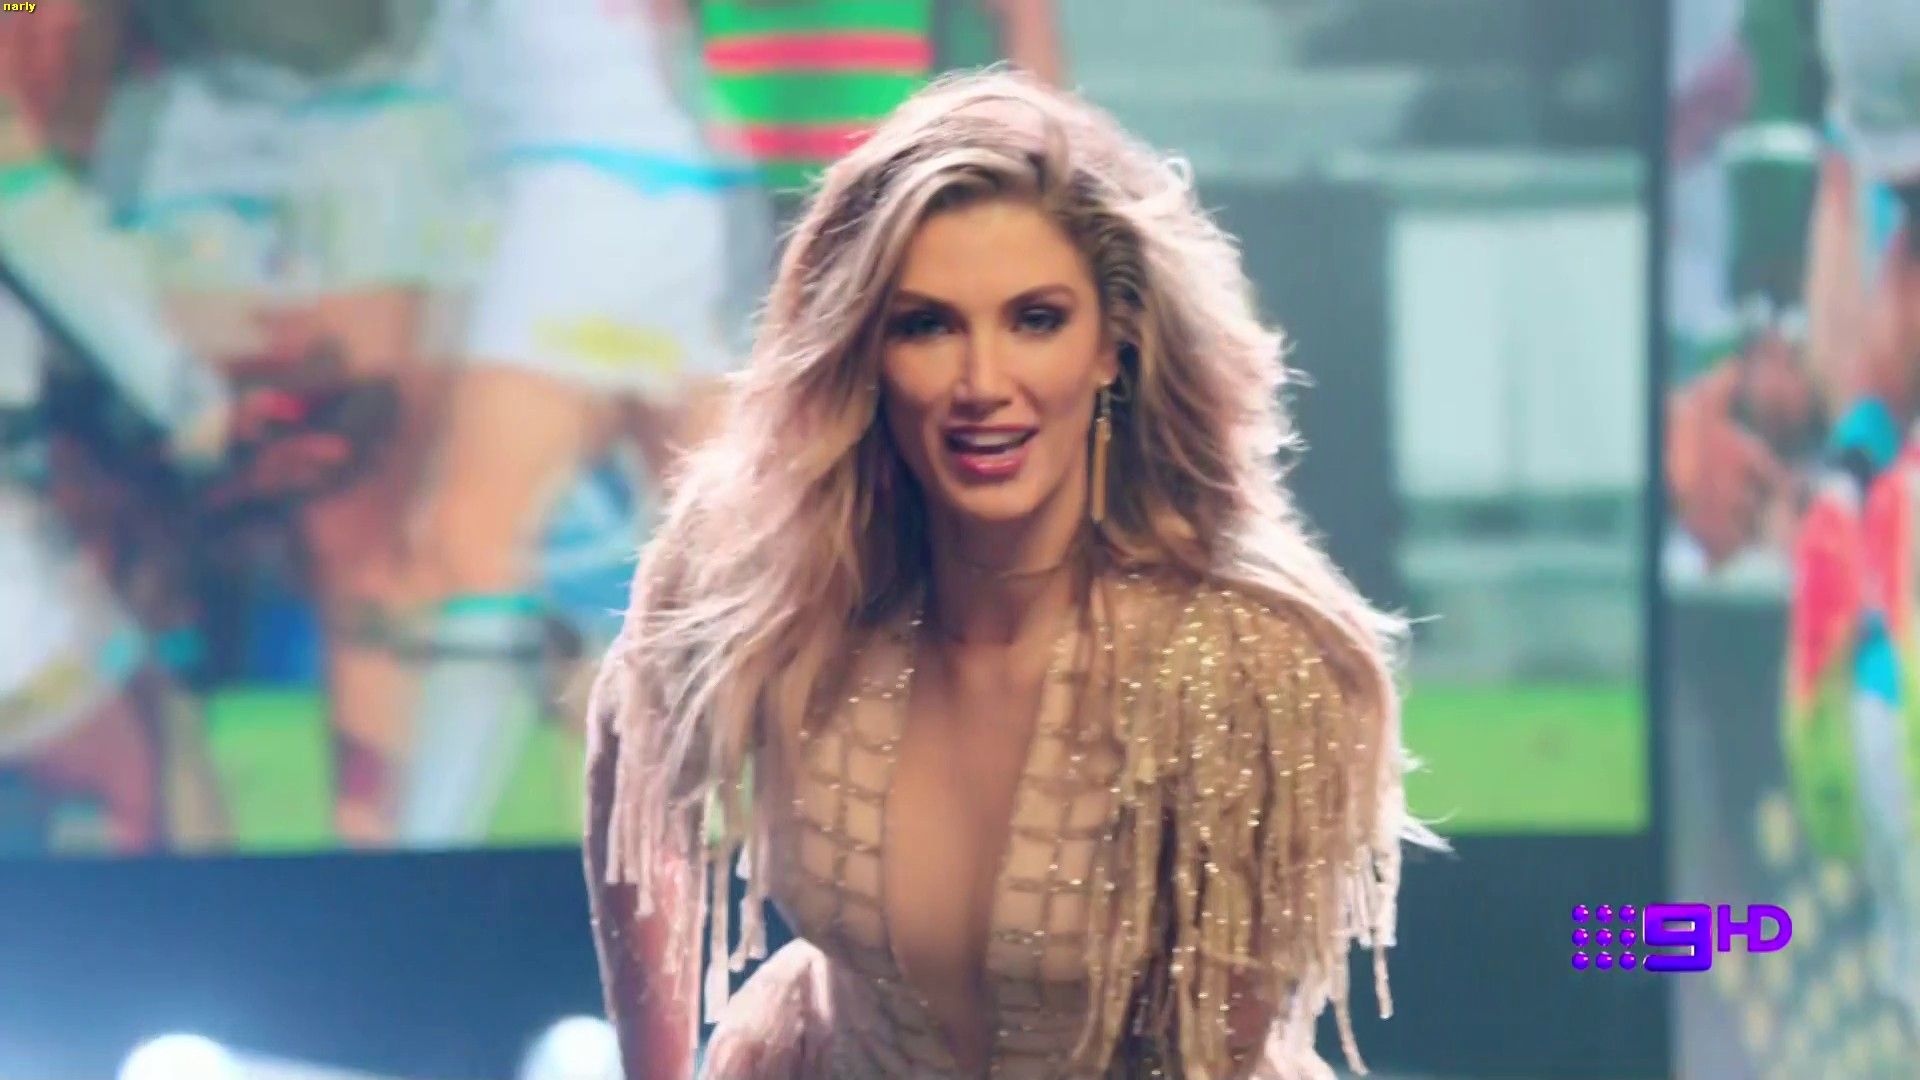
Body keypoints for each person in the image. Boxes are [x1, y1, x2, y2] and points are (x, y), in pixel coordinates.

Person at [585, 71, 1436, 1079]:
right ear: (864, 350)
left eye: (1035, 319)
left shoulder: (1243, 665)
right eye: (927, 325)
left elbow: (1215, 1053)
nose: (982, 385)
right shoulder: (763, 571)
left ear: (1114, 343)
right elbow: (630, 768)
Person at [392, 0, 746, 846]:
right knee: (716, 564)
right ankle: (727, 851)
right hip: (648, 186)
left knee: (474, 545)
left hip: (586, 190)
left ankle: (424, 861)